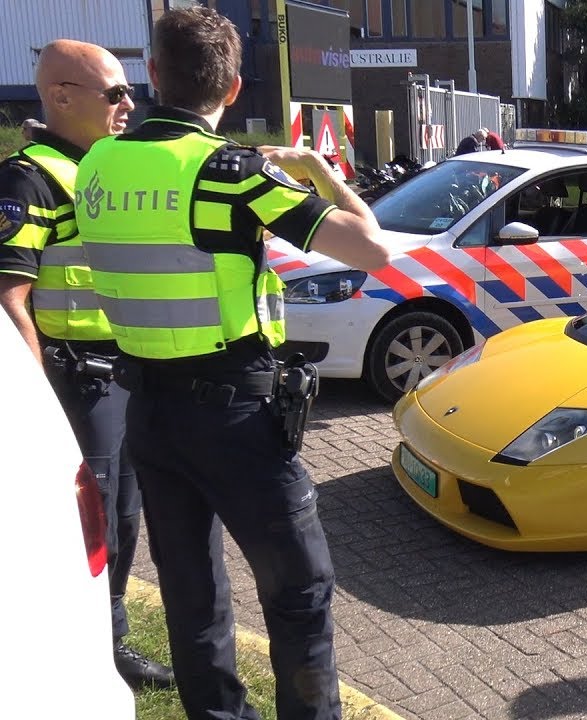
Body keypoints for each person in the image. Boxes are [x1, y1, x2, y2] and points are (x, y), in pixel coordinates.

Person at [73, 8, 390, 719]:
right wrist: (323, 176)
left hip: (147, 413)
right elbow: (374, 250)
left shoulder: (96, 164)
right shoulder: (231, 174)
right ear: (236, 87)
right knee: (299, 590)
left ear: (152, 74)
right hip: (235, 416)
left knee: (191, 592)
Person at [0, 39, 175, 691]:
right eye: (115, 92)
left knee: (123, 517)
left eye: (131, 90)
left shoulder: (101, 170)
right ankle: (82, 650)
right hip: (76, 385)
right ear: (61, 95)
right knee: (89, 521)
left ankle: (109, 638)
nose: (128, 103)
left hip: (122, 375)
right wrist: (35, 405)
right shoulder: (28, 177)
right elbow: (9, 299)